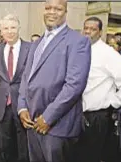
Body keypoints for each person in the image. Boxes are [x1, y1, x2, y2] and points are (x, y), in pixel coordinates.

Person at [17, 0, 91, 162]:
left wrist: (48, 117)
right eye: (48, 8)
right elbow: (26, 79)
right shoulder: (36, 43)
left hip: (57, 127)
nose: (52, 12)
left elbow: (74, 86)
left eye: (58, 9)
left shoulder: (78, 41)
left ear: (65, 12)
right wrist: (22, 107)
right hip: (32, 124)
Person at [73, 16, 121, 162]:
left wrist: (115, 102)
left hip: (97, 116)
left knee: (91, 156)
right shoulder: (81, 49)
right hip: (79, 114)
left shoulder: (106, 53)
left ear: (100, 32)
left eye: (93, 29)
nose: (88, 32)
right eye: (86, 28)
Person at [0, 14, 30, 162]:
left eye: (13, 27)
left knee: (24, 145)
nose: (10, 31)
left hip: (23, 104)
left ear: (19, 28)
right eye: (5, 28)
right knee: (5, 146)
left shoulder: (31, 48)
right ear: (1, 31)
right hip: (3, 104)